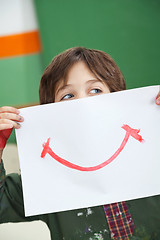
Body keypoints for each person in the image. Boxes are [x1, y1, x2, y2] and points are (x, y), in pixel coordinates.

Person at [0, 47, 160, 240]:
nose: (83, 103)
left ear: (119, 98)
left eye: (95, 90)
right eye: (68, 96)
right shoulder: (43, 179)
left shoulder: (152, 156)